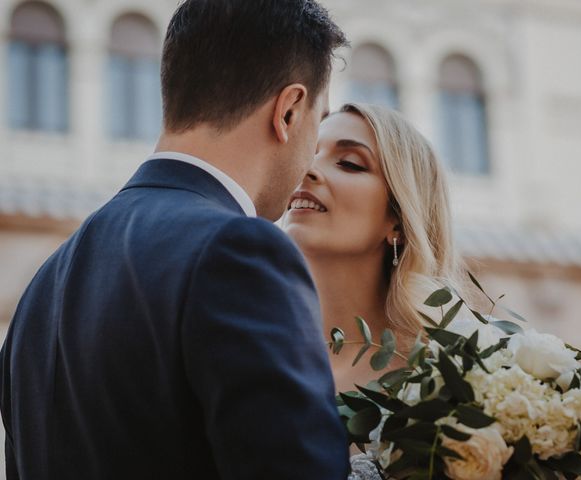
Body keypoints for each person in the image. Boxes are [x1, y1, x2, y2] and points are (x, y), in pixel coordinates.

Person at [0, 1, 349, 479]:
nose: (313, 159)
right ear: (288, 111)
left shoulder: (44, 286)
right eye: (318, 120)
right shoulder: (239, 251)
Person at [283, 103, 463, 394]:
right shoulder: (250, 350)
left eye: (350, 163)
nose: (308, 169)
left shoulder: (446, 376)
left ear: (399, 222)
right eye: (308, 152)